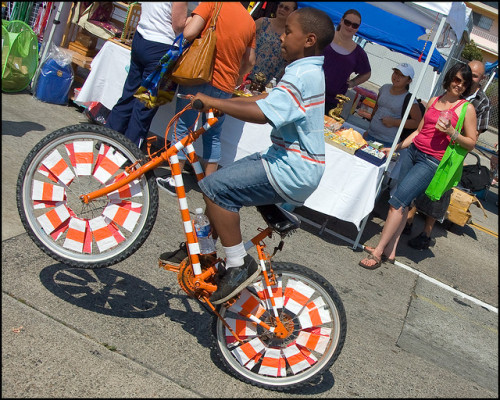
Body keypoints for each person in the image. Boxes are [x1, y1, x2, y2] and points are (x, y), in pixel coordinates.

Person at [160, 7, 335, 304]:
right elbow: (267, 98)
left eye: (288, 31)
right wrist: (220, 102)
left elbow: (261, 113)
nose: (281, 36)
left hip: (292, 168)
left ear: (309, 39)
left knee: (215, 189)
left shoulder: (304, 74)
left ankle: (239, 264)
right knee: (220, 184)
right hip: (284, 159)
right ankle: (202, 254)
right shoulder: (304, 69)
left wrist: (214, 100)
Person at [359, 62, 477, 269]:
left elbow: (471, 142)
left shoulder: (466, 109)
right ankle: (391, 250)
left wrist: (451, 133)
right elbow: (418, 132)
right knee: (403, 203)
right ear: (450, 78)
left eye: (464, 83)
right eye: (457, 80)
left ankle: (378, 252)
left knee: (397, 202)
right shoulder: (434, 100)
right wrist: (396, 147)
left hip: (432, 161)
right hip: (412, 153)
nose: (459, 85)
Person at [156, 2, 256, 195]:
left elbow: (189, 32)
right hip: (225, 85)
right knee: (213, 135)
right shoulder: (249, 22)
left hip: (198, 75)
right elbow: (250, 61)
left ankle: (176, 181)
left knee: (183, 127)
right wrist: (237, 76)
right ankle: (210, 187)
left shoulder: (213, 3)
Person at [405, 59, 491, 250]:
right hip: (431, 147)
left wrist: (455, 131)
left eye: (475, 75)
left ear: (481, 79)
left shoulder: (481, 102)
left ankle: (426, 233)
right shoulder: (451, 88)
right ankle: (408, 220)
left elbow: (475, 134)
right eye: (468, 72)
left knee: (439, 194)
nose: (469, 77)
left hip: (453, 153)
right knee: (417, 185)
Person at [105, 2, 188, 148]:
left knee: (129, 94)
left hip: (142, 36)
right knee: (144, 104)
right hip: (160, 45)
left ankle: (108, 140)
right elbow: (179, 25)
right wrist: (195, 19)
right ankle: (128, 152)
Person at [323, 8, 371, 115]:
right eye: (347, 22)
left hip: (332, 103)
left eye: (354, 25)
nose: (350, 27)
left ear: (357, 28)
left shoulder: (359, 53)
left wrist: (353, 82)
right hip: (309, 92)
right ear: (341, 20)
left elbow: (367, 73)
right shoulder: (325, 36)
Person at [363, 63, 423, 148]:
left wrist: (394, 122)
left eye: (402, 76)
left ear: (409, 81)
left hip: (388, 143)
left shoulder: (409, 99)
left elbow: (417, 122)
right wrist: (368, 130)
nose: (397, 77)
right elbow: (376, 109)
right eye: (396, 73)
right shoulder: (384, 88)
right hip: (370, 135)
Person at [248, 2, 297, 85]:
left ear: (293, 13)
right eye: (280, 6)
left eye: (286, 8)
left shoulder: (291, 35)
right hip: (248, 75)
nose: (282, 9)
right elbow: (244, 38)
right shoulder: (262, 22)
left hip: (270, 83)